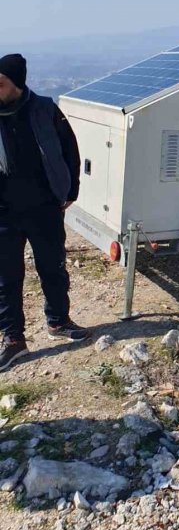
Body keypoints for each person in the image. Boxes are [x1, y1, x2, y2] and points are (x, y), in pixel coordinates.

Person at [0, 53, 90, 371]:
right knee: (6, 278)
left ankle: (59, 322)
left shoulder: (44, 110)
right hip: (3, 214)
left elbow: (70, 150)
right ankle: (13, 339)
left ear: (17, 83)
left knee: (52, 269)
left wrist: (71, 190)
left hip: (44, 208)